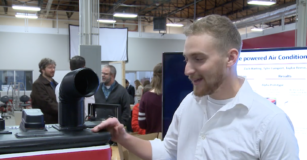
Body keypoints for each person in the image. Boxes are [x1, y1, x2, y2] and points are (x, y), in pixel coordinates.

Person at [92, 14, 299, 160]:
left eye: (198, 59)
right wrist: (122, 137)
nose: (187, 70)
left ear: (231, 58)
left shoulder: (272, 123)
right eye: (186, 59)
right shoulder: (190, 103)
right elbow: (168, 152)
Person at [31, 58, 58, 124]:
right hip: (46, 122)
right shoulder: (38, 84)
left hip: (57, 120)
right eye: (50, 68)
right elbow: (47, 104)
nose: (53, 70)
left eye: (54, 67)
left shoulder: (56, 84)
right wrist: (64, 111)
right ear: (42, 69)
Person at [138, 63, 163, 134]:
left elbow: (142, 124)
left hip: (152, 139)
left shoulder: (146, 97)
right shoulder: (174, 97)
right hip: (172, 141)